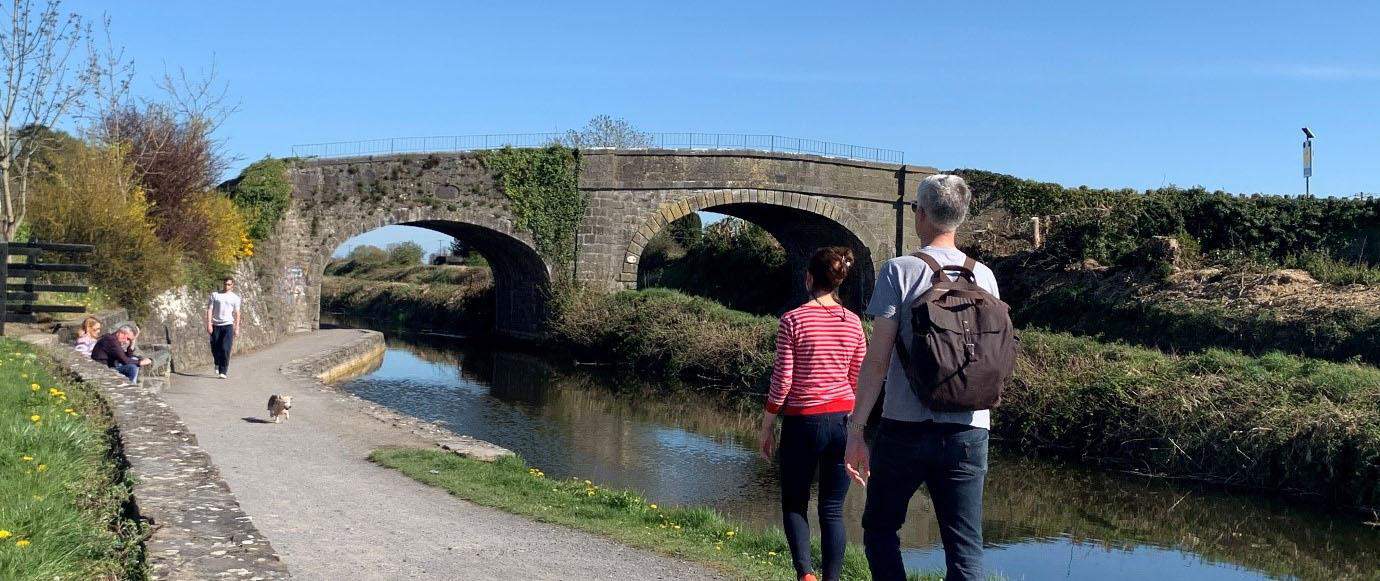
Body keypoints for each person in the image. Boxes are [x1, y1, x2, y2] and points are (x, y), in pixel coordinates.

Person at [846, 174, 999, 581]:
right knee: (965, 550)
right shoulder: (984, 277)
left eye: (915, 208)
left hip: (905, 428)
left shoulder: (900, 270)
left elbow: (877, 361)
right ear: (960, 218)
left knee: (880, 529)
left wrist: (857, 429)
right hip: (970, 429)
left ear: (924, 215)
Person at [758, 247, 868, 581]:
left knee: (794, 502)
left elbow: (783, 381)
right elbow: (857, 380)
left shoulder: (792, 320)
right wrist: (858, 430)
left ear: (808, 278)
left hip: (803, 421)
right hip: (842, 422)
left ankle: (805, 574)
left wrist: (766, 426)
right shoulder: (853, 323)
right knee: (833, 510)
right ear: (838, 282)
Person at [206, 277, 242, 379]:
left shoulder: (235, 298)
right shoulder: (215, 295)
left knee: (226, 348)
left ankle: (223, 371)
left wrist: (237, 327)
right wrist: (209, 323)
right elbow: (209, 310)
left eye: (229, 284)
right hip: (216, 325)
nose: (227, 286)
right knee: (215, 348)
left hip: (228, 325)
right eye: (225, 284)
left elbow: (237, 313)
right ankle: (217, 362)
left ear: (232, 286)